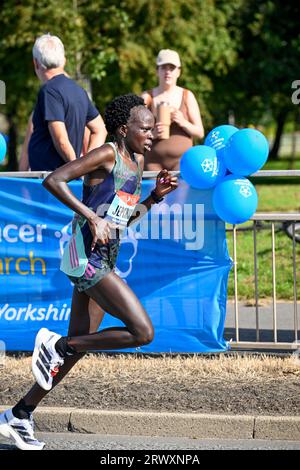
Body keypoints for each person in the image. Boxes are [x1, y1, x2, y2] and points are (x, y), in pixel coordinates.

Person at [0, 94, 178, 450]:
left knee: (76, 349)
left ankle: (19, 414)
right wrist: (92, 216)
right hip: (85, 257)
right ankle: (58, 344)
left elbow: (122, 221)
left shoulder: (138, 161)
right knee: (142, 332)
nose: (152, 134)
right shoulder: (108, 153)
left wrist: (154, 198)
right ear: (123, 129)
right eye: (144, 128)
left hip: (105, 256)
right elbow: (54, 180)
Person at [22, 33, 107, 171]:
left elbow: (61, 140)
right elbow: (100, 129)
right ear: (64, 61)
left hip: (51, 180)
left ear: (36, 63)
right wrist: (86, 164)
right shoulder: (79, 90)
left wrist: (79, 169)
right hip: (64, 177)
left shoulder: (49, 91)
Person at [141, 49, 204, 171]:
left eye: (172, 68)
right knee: (155, 190)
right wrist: (152, 134)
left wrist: (183, 122)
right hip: (153, 163)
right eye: (163, 67)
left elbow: (200, 132)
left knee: (182, 190)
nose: (168, 72)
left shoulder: (187, 96)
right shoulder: (146, 97)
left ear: (179, 72)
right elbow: (133, 134)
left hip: (182, 162)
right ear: (157, 71)